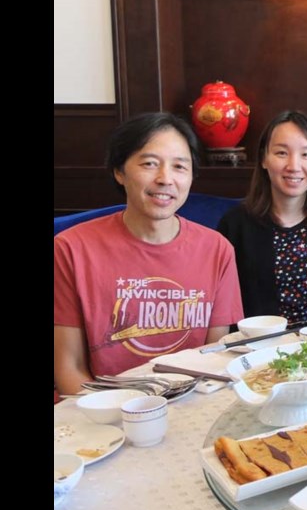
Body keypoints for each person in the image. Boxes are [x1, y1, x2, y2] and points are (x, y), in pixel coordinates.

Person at [54, 113, 244, 394]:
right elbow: (68, 368)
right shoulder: (71, 248)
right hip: (99, 410)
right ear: (120, 172)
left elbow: (211, 360)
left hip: (186, 406)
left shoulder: (217, 250)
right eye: (149, 164)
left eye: (180, 166)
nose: (165, 179)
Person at [218, 111, 307, 322]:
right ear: (264, 159)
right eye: (281, 153)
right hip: (257, 349)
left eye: (306, 154)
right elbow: (222, 306)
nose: (293, 166)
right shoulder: (235, 225)